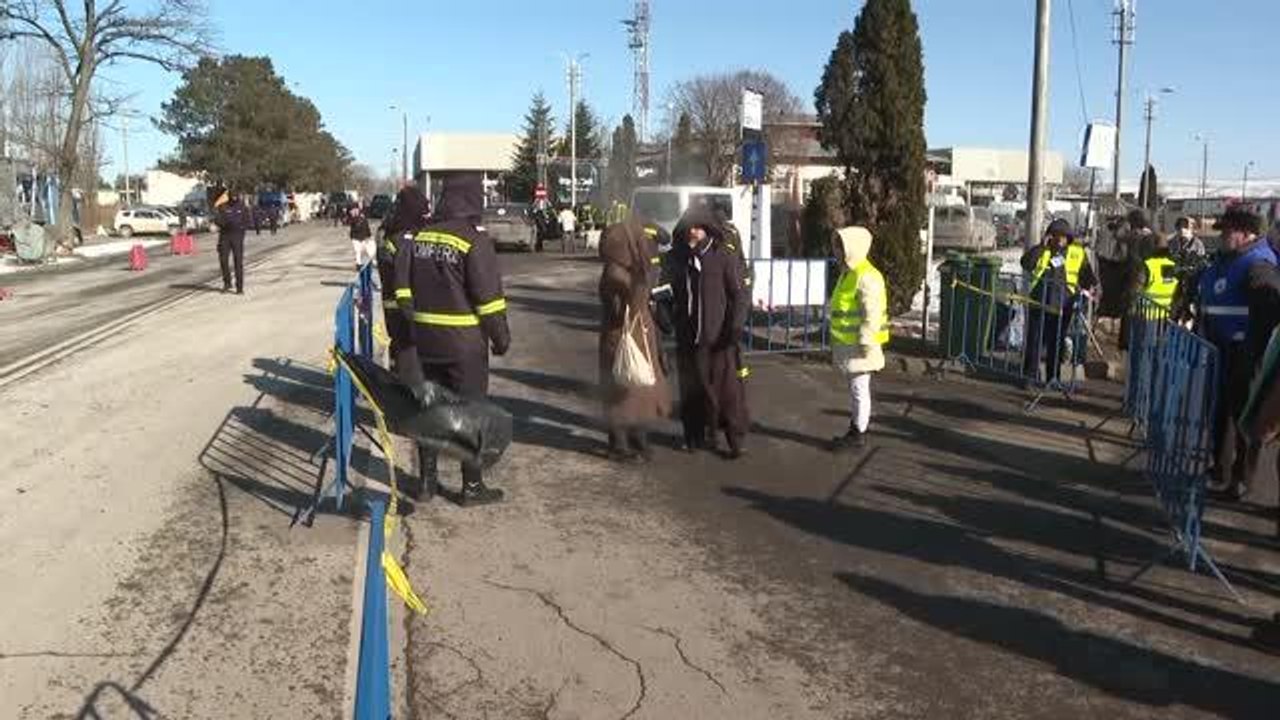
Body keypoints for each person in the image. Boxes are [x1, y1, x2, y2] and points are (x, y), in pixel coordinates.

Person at [394, 173, 510, 506]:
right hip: (465, 347)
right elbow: (489, 302)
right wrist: (501, 339)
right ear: (473, 200)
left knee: (431, 411)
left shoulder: (419, 238)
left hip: (426, 343)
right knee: (472, 415)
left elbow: (405, 290)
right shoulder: (473, 240)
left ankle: (427, 483)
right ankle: (471, 487)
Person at [1196, 207, 1280, 498]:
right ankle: (1219, 467)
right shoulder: (1228, 260)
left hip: (1244, 353)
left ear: (1247, 234)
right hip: (1221, 347)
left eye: (1227, 231)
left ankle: (1241, 480)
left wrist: (1252, 349)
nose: (1222, 236)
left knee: (1245, 417)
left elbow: (1270, 305)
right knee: (1221, 411)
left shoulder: (1259, 265)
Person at [668, 207, 750, 458]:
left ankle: (735, 440)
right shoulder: (676, 259)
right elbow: (665, 293)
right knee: (692, 392)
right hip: (688, 340)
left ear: (707, 229)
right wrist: (668, 321)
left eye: (698, 227)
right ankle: (695, 436)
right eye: (688, 228)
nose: (693, 232)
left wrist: (735, 328)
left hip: (719, 339)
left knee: (727, 394)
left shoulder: (723, 256)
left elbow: (739, 296)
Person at [598, 217, 672, 462]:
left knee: (638, 389)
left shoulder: (630, 269)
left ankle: (638, 437)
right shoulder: (616, 274)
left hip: (639, 335)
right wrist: (636, 292)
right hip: (623, 338)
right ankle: (619, 444)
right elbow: (618, 312)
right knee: (620, 389)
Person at [828, 226, 889, 451]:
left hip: (861, 346)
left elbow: (871, 315)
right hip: (850, 344)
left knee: (859, 389)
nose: (836, 251)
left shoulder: (866, 275)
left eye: (840, 246)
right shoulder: (849, 272)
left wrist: (866, 344)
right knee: (857, 390)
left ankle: (858, 433)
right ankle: (857, 429)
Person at [1020, 218, 1097, 384]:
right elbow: (1026, 263)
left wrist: (1089, 289)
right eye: (1055, 236)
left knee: (1056, 343)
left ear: (1068, 237)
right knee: (1035, 341)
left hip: (1063, 304)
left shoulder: (1077, 252)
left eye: (1062, 236)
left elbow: (1087, 276)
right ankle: (1030, 376)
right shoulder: (1042, 250)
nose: (1059, 240)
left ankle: (1052, 377)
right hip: (1039, 301)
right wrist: (1041, 246)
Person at [377, 188, 428, 375]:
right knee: (408, 358)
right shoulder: (404, 238)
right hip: (404, 309)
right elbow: (403, 278)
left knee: (400, 355)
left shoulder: (391, 230)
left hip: (393, 306)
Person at [1131, 231, 1177, 317]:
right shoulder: (1174, 266)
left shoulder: (1147, 266)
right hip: (1166, 316)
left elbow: (1135, 292)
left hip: (1146, 315)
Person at [214, 190, 252, 295]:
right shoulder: (222, 206)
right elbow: (217, 220)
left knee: (238, 263)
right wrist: (224, 223)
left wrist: (241, 228)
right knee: (223, 261)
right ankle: (227, 283)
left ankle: (239, 288)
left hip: (237, 237)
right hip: (225, 236)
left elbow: (248, 221)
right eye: (232, 196)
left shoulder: (243, 207)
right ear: (229, 196)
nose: (234, 198)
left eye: (236, 196)